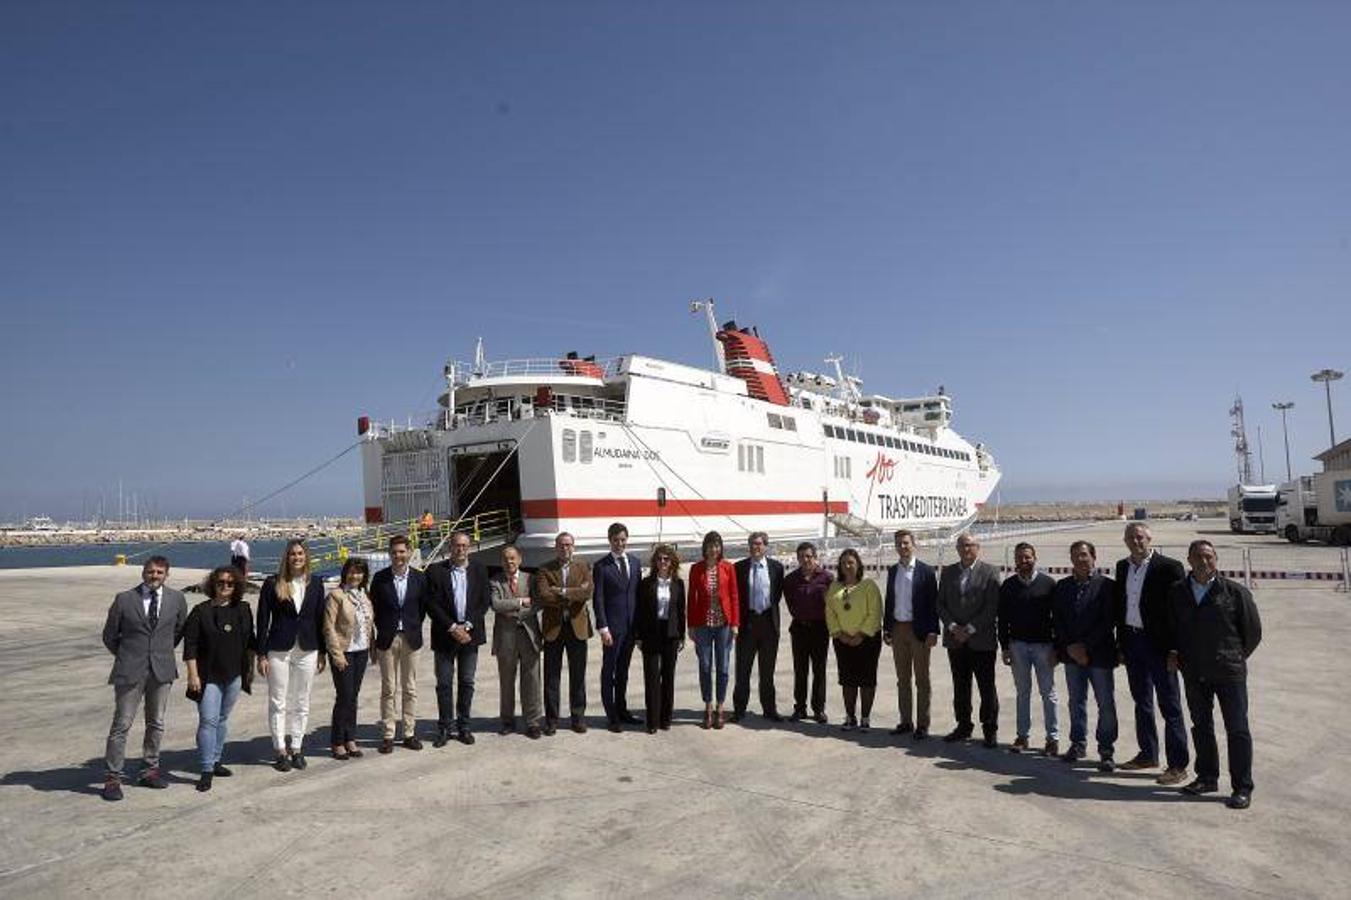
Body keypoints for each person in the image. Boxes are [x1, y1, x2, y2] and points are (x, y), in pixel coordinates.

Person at [1166, 540, 1262, 810]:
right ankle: (1207, 776)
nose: (1203, 561)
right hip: (1194, 672)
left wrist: (1234, 656)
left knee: (1238, 729)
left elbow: (1252, 631)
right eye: (1197, 556)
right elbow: (1173, 628)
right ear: (1189, 560)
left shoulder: (1234, 591)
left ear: (1216, 559)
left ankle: (1242, 786)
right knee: (1201, 726)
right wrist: (1176, 652)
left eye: (1208, 556)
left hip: (1228, 672)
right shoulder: (1178, 592)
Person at [100, 556, 187, 801]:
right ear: (142, 572)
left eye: (159, 572)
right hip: (130, 670)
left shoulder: (177, 599)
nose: (154, 576)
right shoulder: (124, 599)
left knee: (156, 722)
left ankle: (149, 770)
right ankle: (113, 777)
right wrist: (127, 655)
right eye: (150, 571)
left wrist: (160, 653)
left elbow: (178, 631)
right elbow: (109, 635)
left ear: (166, 575)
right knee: (121, 724)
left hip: (162, 670)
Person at [1114, 523, 1190, 785]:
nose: (1136, 542)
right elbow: (1121, 606)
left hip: (1160, 646)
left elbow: (1181, 611)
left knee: (1170, 706)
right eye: (1131, 538)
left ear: (1149, 538)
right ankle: (1148, 754)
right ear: (1125, 541)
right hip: (1133, 642)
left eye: (1140, 537)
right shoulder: (1123, 567)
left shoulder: (1169, 567)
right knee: (1142, 702)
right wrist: (1121, 645)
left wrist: (1175, 649)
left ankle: (1178, 764)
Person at [256, 539, 327, 771]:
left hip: (308, 647)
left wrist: (322, 652)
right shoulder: (273, 583)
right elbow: (263, 619)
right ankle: (280, 750)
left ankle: (296, 747)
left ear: (306, 557)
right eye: (292, 554)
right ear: (286, 558)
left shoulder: (316, 583)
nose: (296, 557)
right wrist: (261, 654)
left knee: (302, 700)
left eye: (300, 553)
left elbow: (320, 620)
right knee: (278, 701)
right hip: (278, 648)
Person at [184, 565, 254, 792]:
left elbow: (250, 641)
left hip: (233, 674)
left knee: (222, 719)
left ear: (237, 587)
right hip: (207, 676)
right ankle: (205, 769)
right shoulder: (200, 611)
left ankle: (215, 760)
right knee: (208, 720)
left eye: (230, 583)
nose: (225, 586)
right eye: (220, 582)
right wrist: (192, 674)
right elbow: (190, 646)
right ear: (212, 584)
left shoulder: (243, 609)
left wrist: (261, 660)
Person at [1052, 540, 1119, 771]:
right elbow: (1058, 620)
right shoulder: (1062, 587)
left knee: (1106, 704)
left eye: (1084, 555)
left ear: (1093, 557)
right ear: (1070, 559)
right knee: (1076, 702)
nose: (1080, 559)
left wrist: (1085, 647)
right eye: (1075, 555)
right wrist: (1069, 647)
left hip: (1099, 655)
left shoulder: (1107, 587)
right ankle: (1078, 743)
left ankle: (1106, 750)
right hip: (1072, 656)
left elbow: (1108, 621)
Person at [937, 532, 1001, 747]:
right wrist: (954, 628)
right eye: (962, 546)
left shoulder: (990, 572)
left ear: (977, 547)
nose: (966, 549)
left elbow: (992, 607)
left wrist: (970, 629)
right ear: (957, 549)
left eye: (970, 545)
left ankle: (989, 728)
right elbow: (941, 604)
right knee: (960, 685)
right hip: (955, 641)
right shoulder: (948, 572)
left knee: (986, 687)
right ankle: (963, 725)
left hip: (981, 640)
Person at [427, 530, 490, 746]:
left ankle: (464, 727)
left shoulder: (480, 570)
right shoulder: (436, 571)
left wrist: (467, 626)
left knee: (467, 682)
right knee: (444, 683)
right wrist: (453, 627)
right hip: (445, 635)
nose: (460, 549)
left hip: (470, 637)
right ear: (449, 548)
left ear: (469, 547)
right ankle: (445, 728)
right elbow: (432, 604)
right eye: (456, 545)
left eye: (464, 545)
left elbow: (484, 601)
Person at [998, 542, 1060, 755]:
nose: (1023, 561)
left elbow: (1058, 619)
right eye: (1019, 558)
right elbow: (1002, 619)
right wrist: (1005, 646)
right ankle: (1022, 736)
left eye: (1027, 557)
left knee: (1048, 693)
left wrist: (1056, 648)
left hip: (1044, 647)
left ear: (1035, 558)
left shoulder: (1049, 584)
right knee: (1023, 693)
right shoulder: (1008, 586)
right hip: (1018, 646)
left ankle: (1053, 739)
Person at [369, 535, 428, 753]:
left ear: (409, 552)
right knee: (388, 688)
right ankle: (388, 734)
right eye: (394, 552)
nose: (398, 556)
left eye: (402, 552)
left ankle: (409, 733)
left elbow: (421, 609)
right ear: (389, 554)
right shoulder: (380, 578)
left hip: (411, 638)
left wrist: (411, 626)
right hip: (387, 638)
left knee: (410, 688)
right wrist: (384, 628)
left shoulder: (419, 578)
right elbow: (374, 608)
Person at [534, 531, 594, 734]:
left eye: (568, 545)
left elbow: (587, 593)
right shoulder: (544, 569)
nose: (565, 548)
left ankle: (578, 718)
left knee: (578, 676)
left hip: (577, 628)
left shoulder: (583, 566)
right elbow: (544, 596)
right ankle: (551, 720)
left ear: (573, 547)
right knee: (552, 676)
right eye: (561, 545)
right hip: (553, 629)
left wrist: (561, 591)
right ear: (555, 547)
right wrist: (575, 593)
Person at [883, 530, 940, 739]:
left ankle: (923, 725)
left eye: (906, 543)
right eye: (899, 543)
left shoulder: (925, 571)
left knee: (922, 680)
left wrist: (934, 631)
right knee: (902, 679)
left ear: (914, 544)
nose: (903, 546)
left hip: (920, 630)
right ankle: (905, 721)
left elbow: (934, 603)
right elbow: (890, 601)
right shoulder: (892, 571)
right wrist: (887, 629)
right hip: (898, 629)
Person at [826, 548, 883, 731]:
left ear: (858, 564)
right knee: (847, 680)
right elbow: (830, 612)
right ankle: (850, 717)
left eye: (851, 562)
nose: (847, 566)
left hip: (867, 640)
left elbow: (875, 612)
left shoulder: (868, 585)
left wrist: (861, 635)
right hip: (842, 640)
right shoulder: (835, 587)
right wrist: (839, 633)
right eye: (843, 563)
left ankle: (865, 718)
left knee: (867, 680)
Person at [687, 530, 740, 729]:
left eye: (717, 545)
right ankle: (708, 706)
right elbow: (692, 599)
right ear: (705, 547)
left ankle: (720, 707)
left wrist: (735, 623)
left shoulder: (728, 568)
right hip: (702, 626)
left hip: (724, 625)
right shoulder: (696, 569)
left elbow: (734, 596)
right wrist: (690, 625)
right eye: (710, 545)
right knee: (705, 666)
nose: (713, 549)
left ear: (720, 548)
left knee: (724, 667)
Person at [324, 557, 375, 760]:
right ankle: (337, 741)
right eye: (352, 572)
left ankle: (350, 737)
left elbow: (369, 624)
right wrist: (337, 655)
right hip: (344, 652)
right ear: (345, 573)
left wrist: (372, 648)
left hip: (361, 651)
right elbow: (328, 627)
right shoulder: (336, 596)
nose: (355, 576)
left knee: (353, 697)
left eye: (359, 572)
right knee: (344, 697)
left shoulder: (364, 595)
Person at [732, 531, 785, 723]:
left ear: (766, 546)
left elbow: (776, 595)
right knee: (742, 670)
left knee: (767, 672)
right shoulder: (739, 568)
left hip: (769, 624)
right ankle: (739, 710)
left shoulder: (777, 568)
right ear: (749, 546)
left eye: (760, 544)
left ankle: (769, 709)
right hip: (748, 624)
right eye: (753, 544)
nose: (756, 547)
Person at [491, 545, 543, 739]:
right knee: (506, 681)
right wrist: (521, 602)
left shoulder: (531, 579)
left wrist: (511, 611)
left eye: (512, 558)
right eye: (505, 559)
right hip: (506, 638)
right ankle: (507, 720)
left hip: (529, 636)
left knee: (532, 680)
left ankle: (533, 721)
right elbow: (496, 604)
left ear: (520, 559)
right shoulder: (495, 580)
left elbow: (538, 603)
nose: (509, 562)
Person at [593, 522, 642, 732]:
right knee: (609, 672)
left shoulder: (635, 562)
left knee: (623, 671)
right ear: (610, 541)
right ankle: (611, 715)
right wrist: (603, 627)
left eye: (623, 539)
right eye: (616, 540)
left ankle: (622, 710)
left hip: (631, 629)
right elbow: (599, 599)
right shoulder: (601, 566)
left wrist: (639, 629)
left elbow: (638, 596)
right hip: (612, 629)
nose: (619, 543)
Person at [634, 543, 686, 733]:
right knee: (652, 678)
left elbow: (681, 611)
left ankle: (666, 719)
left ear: (672, 561)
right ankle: (652, 721)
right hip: (650, 634)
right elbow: (639, 611)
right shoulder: (646, 583)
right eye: (659, 559)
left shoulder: (678, 584)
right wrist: (638, 636)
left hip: (671, 634)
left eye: (666, 559)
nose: (663, 562)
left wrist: (682, 635)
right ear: (655, 562)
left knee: (668, 677)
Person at [783, 542, 833, 723]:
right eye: (802, 557)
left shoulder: (827, 578)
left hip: (820, 629)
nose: (805, 560)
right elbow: (789, 603)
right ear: (797, 559)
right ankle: (800, 708)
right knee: (800, 670)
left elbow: (833, 603)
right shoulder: (790, 580)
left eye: (809, 556)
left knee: (819, 670)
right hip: (799, 629)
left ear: (815, 557)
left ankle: (818, 709)